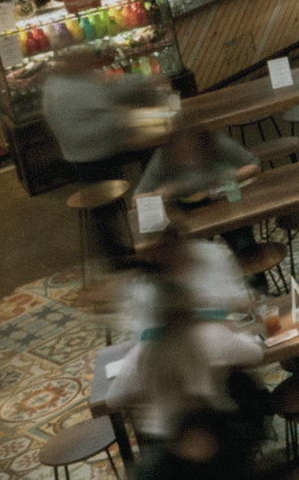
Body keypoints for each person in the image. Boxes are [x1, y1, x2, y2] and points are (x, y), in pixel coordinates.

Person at [106, 282, 267, 478]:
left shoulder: (143, 351)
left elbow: (113, 399)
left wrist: (147, 394)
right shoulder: (211, 333)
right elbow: (255, 354)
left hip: (171, 440)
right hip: (217, 432)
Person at [45, 46, 155, 263]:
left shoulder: (77, 78)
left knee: (110, 209)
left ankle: (125, 251)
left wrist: (143, 79)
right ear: (72, 63)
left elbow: (110, 88)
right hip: (88, 157)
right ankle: (116, 260)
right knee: (104, 212)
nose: (92, 63)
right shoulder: (61, 91)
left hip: (101, 151)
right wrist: (116, 119)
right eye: (86, 59)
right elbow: (73, 135)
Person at [136, 125, 265, 262]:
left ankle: (257, 280)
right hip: (185, 213)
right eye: (181, 154)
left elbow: (254, 166)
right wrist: (160, 192)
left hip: (225, 201)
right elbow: (137, 199)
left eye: (192, 152)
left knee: (245, 247)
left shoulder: (217, 143)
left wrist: (223, 178)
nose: (187, 159)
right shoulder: (162, 157)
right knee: (187, 258)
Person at [121, 227, 253, 340]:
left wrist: (242, 300)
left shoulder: (210, 255)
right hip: (177, 353)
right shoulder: (145, 289)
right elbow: (146, 334)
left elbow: (236, 294)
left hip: (227, 336)